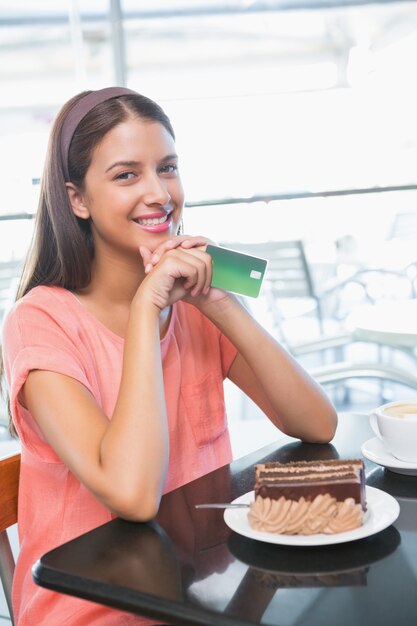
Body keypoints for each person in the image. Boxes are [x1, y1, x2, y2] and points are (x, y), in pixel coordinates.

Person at [1, 86, 337, 626]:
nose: (159, 193)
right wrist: (144, 310)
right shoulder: (39, 323)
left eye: (169, 167)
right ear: (76, 199)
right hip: (91, 610)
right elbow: (134, 496)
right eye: (126, 174)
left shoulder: (194, 301)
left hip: (194, 599)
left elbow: (316, 423)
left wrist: (222, 303)